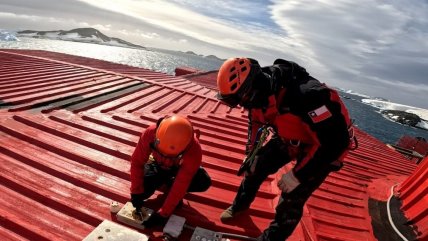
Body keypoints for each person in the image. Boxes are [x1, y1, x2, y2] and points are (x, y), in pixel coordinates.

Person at [216, 57, 355, 241]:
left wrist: (298, 175)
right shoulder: (257, 96)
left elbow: (335, 143)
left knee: (290, 199)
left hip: (323, 149)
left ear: (253, 87)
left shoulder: (308, 96)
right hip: (288, 138)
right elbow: (255, 122)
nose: (242, 105)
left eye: (242, 100)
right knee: (254, 167)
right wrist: (250, 154)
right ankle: (239, 206)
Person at [130, 115, 212, 228]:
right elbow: (137, 162)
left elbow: (182, 183)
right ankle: (165, 185)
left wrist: (164, 214)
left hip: (179, 169)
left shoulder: (194, 151)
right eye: (162, 152)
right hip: (157, 165)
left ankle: (170, 188)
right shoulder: (150, 133)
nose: (167, 157)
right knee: (143, 192)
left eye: (171, 155)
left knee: (203, 181)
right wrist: (136, 192)